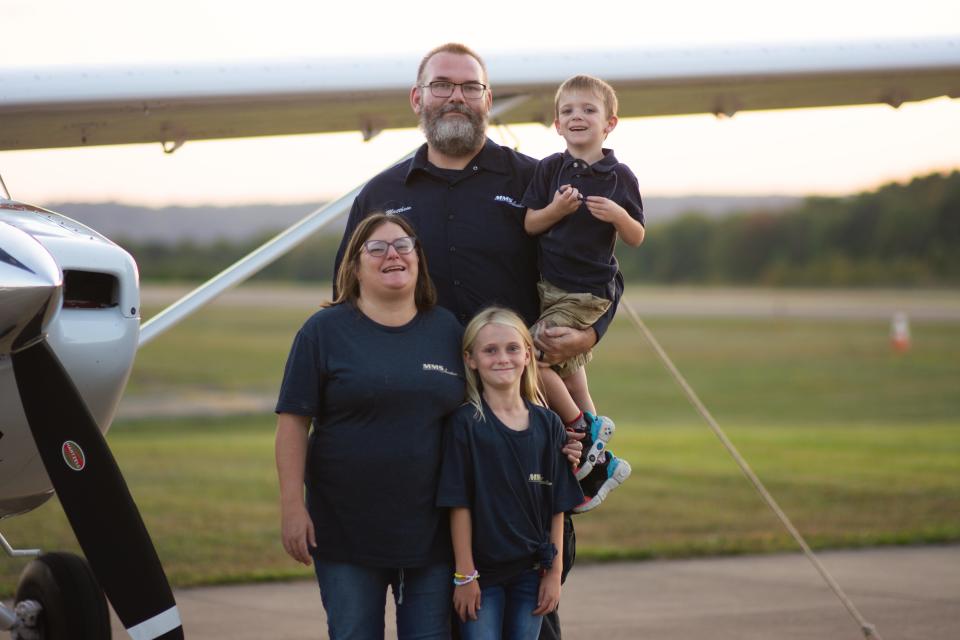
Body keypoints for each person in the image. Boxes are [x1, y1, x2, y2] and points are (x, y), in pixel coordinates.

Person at [334, 43, 622, 640]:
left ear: (488, 100)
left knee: (532, 595)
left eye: (470, 87)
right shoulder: (381, 195)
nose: (456, 97)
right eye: (442, 85)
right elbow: (346, 300)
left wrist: (591, 331)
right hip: (421, 427)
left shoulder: (537, 178)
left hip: (524, 426)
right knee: (444, 603)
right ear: (418, 99)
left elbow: (600, 268)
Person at [275, 213, 466, 640]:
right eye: (376, 248)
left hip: (431, 535)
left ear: (419, 259)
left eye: (403, 246)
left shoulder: (447, 330)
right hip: (345, 532)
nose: (392, 255)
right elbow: (292, 423)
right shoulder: (323, 331)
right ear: (355, 266)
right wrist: (292, 507)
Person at [522, 74, 645, 513]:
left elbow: (636, 237)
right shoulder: (549, 169)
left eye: (588, 110)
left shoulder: (618, 177)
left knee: (531, 356)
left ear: (609, 123)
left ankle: (580, 427)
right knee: (567, 364)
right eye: (569, 111)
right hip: (548, 287)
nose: (578, 117)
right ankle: (603, 464)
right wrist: (556, 209)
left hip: (587, 292)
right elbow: (530, 224)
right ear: (556, 124)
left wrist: (616, 215)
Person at [437, 307, 584, 639]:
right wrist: (465, 575)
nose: (502, 358)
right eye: (490, 350)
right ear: (470, 359)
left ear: (528, 354)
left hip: (532, 573)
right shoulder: (464, 426)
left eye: (512, 348)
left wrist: (554, 571)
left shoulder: (548, 425)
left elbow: (557, 505)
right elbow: (458, 504)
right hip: (482, 574)